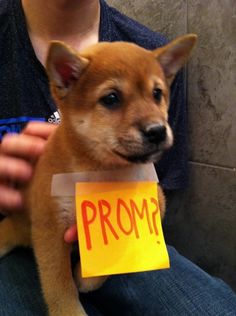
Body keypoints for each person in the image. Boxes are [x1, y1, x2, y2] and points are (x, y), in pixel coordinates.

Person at [0, 0, 235, 315]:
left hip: (124, 236)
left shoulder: (148, 48)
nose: (153, 121)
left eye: (156, 94)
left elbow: (157, 200)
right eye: (112, 99)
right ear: (65, 78)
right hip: (24, 235)